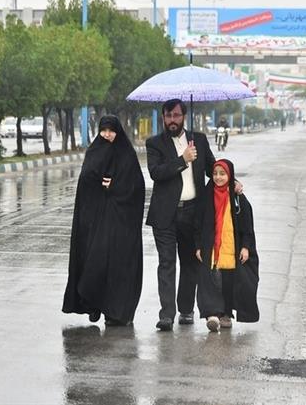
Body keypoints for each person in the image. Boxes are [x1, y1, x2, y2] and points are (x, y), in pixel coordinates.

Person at [62, 115, 145, 326]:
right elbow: (86, 182)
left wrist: (114, 186)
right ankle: (94, 304)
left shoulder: (126, 153)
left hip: (121, 222)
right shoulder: (94, 151)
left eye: (111, 130)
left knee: (120, 267)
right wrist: (99, 185)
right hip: (98, 220)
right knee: (96, 263)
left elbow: (136, 185)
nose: (108, 134)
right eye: (104, 130)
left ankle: (117, 312)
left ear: (118, 131)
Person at [146, 98, 217, 332]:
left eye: (176, 115)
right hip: (165, 214)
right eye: (168, 116)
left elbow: (212, 169)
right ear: (163, 118)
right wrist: (183, 160)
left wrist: (231, 180)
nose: (172, 120)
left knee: (190, 263)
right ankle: (166, 314)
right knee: (166, 263)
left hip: (192, 213)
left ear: (183, 116)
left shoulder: (200, 140)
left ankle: (186, 309)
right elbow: (156, 173)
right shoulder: (154, 143)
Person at [195, 159, 259, 332]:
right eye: (215, 174)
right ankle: (212, 314)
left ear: (230, 175)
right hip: (211, 247)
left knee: (228, 283)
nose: (218, 177)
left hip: (231, 249)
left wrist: (246, 247)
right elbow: (198, 223)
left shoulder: (238, 198)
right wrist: (198, 246)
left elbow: (247, 226)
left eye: (222, 174)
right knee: (210, 280)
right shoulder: (206, 194)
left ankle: (226, 314)